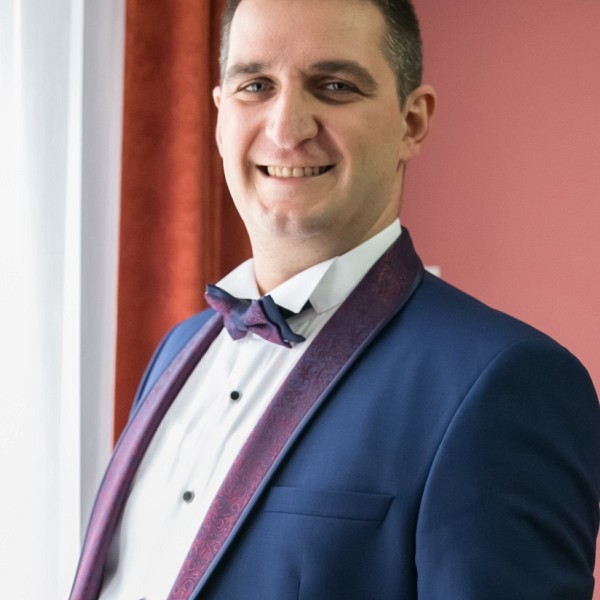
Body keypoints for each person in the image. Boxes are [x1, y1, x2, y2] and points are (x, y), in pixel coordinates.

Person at [70, 0, 600, 598]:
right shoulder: (178, 348)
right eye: (255, 85)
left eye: (335, 86)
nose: (286, 128)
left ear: (411, 123)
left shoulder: (507, 381)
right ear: (219, 117)